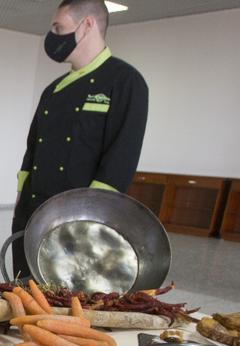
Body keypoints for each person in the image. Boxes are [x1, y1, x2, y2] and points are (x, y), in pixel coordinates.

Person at [10, 0, 148, 278]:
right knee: (24, 290)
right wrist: (20, 204)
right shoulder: (53, 90)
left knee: (65, 303)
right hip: (33, 214)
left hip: (79, 222)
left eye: (59, 27)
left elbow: (121, 160)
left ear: (87, 25)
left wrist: (88, 221)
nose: (53, 36)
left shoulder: (125, 82)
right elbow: (32, 151)